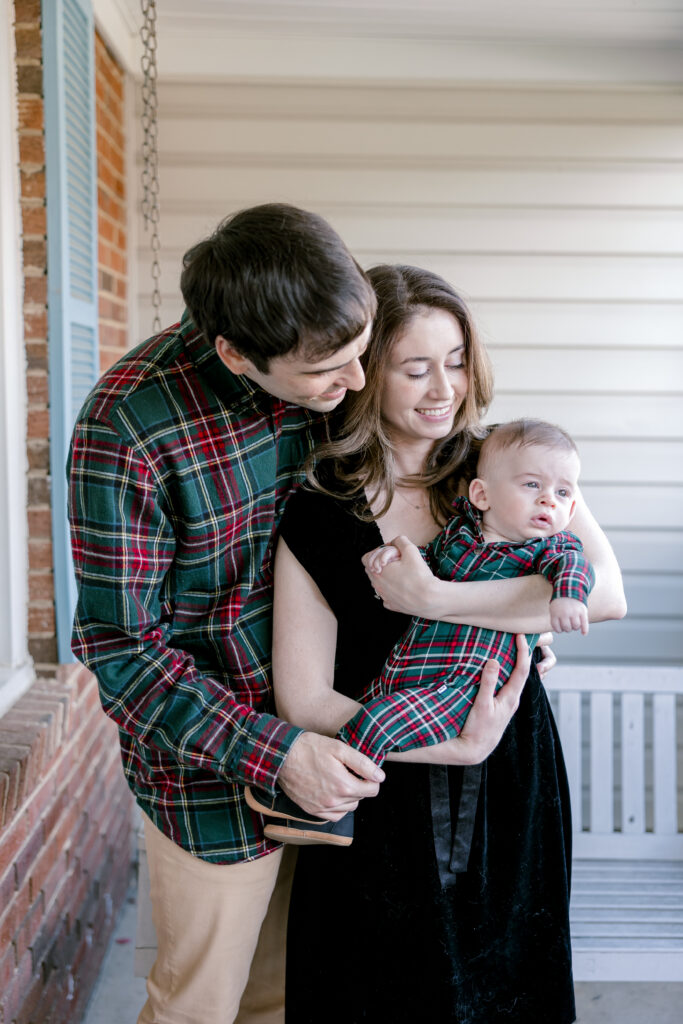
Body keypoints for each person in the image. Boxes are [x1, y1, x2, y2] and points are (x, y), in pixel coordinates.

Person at [67, 207, 531, 1024]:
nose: (353, 387)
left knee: (297, 1000)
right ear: (236, 355)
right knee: (201, 1007)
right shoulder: (130, 431)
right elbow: (121, 650)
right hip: (217, 775)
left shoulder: (321, 359)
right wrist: (276, 750)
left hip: (353, 758)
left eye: (362, 357)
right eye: (330, 372)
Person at [273, 264, 627, 1023]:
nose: (445, 389)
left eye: (458, 361)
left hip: (511, 778)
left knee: (510, 986)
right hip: (381, 790)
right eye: (416, 367)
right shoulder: (319, 507)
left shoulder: (508, 464)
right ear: (366, 374)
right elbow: (301, 695)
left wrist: (436, 597)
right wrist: (449, 746)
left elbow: (603, 592)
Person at [251, 418, 595, 845]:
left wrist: (566, 599)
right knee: (367, 709)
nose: (549, 499)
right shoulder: (460, 535)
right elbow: (424, 562)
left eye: (564, 494)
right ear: (481, 494)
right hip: (410, 671)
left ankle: (325, 811)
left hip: (460, 688)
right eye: (532, 486)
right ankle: (324, 791)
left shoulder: (548, 548)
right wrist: (394, 554)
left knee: (375, 723)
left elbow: (576, 568)